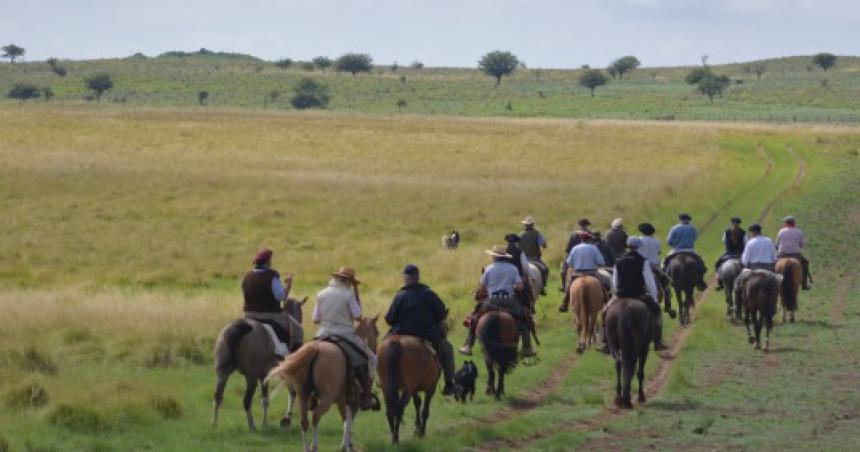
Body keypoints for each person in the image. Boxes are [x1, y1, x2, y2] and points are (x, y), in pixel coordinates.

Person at [385, 264, 456, 396]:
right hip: (428, 335)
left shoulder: (399, 296)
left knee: (383, 348)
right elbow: (441, 314)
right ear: (417, 277)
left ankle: (383, 377)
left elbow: (389, 319)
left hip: (401, 333)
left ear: (405, 278)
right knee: (447, 349)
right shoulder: (430, 294)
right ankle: (449, 383)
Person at [313, 266, 377, 410]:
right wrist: (356, 293)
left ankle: (310, 394)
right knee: (372, 359)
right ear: (349, 281)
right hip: (345, 333)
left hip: (322, 333)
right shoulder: (348, 295)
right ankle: (366, 396)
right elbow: (358, 317)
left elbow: (315, 319)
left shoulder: (321, 294)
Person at [460, 245, 535, 357]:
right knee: (524, 318)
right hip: (509, 300)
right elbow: (520, 287)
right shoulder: (513, 268)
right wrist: (511, 287)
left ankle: (468, 346)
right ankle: (527, 348)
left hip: (492, 301)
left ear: (494, 257)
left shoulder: (489, 268)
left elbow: (481, 288)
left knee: (475, 317)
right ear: (505, 257)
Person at [611, 237, 667, 351]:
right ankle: (657, 342)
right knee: (658, 313)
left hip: (621, 295)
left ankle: (607, 343)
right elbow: (650, 282)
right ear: (638, 247)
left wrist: (615, 295)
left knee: (604, 313)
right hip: (638, 294)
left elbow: (615, 281)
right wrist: (654, 298)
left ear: (627, 246)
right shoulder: (643, 261)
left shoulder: (618, 261)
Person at [241, 248, 293, 356]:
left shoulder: (247, 275)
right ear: (268, 261)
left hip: (248, 314)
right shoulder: (272, 276)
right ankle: (288, 353)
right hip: (270, 314)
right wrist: (288, 285)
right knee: (291, 327)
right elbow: (280, 297)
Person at [559, 232, 608, 312]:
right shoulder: (593, 248)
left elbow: (569, 263)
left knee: (568, 288)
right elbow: (601, 262)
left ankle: (564, 303)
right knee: (603, 285)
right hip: (592, 273)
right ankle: (606, 300)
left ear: (581, 239)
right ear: (589, 239)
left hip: (577, 273)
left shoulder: (575, 248)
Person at [637, 222, 675, 318]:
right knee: (666, 284)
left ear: (642, 231)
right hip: (654, 267)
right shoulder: (656, 241)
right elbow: (658, 253)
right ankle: (668, 307)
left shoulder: (638, 240)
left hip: (640, 267)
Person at [663, 212, 708, 291]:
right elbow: (695, 238)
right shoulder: (692, 228)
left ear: (680, 220)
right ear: (688, 220)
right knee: (702, 265)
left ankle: (665, 282)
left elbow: (669, 241)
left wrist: (675, 244)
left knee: (664, 264)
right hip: (690, 250)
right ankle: (700, 282)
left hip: (676, 250)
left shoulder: (675, 228)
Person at [776, 216, 811, 290]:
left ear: (786, 223)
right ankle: (804, 283)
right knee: (805, 263)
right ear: (794, 223)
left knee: (772, 265)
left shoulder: (781, 231)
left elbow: (777, 244)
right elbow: (802, 245)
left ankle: (773, 282)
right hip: (795, 256)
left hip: (782, 255)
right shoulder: (799, 232)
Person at [561, 218, 593, 292]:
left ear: (579, 225)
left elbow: (568, 249)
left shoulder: (573, 234)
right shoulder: (590, 234)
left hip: (574, 257)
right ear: (587, 225)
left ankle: (563, 286)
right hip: (588, 257)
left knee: (563, 270)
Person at [715, 217, 746, 290]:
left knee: (717, 264)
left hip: (728, 253)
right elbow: (746, 243)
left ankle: (718, 280)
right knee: (748, 265)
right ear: (739, 224)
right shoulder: (743, 232)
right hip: (740, 254)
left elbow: (724, 241)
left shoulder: (727, 232)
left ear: (731, 224)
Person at [519, 216, 548, 294]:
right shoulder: (537, 234)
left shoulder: (520, 235)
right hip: (535, 259)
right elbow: (544, 244)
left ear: (525, 225)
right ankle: (542, 287)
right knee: (545, 269)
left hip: (522, 260)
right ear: (532, 225)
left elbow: (518, 247)